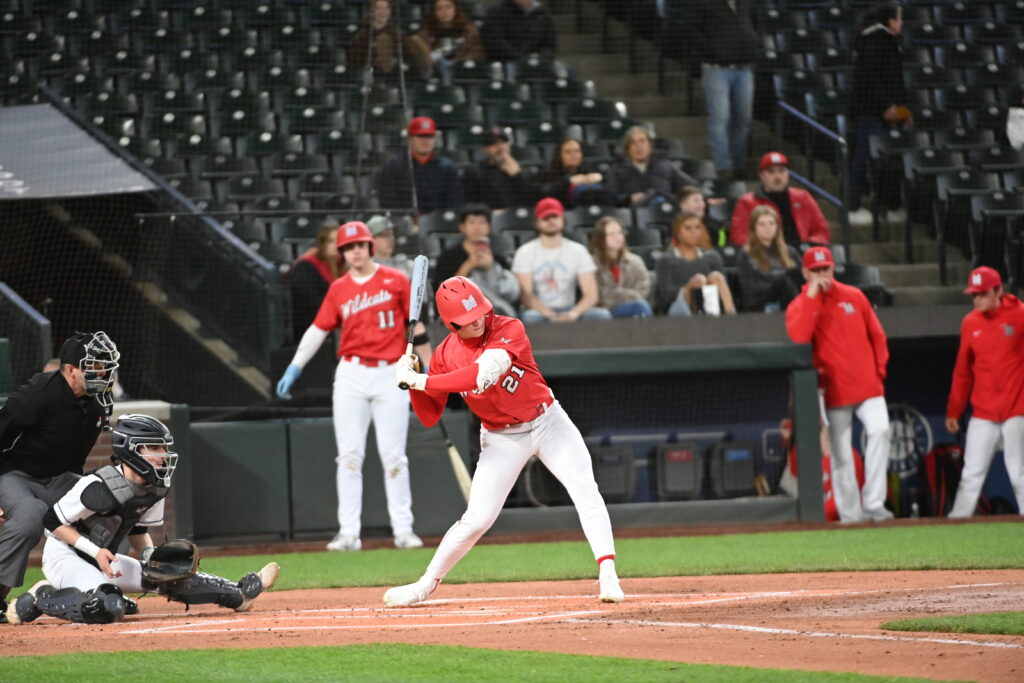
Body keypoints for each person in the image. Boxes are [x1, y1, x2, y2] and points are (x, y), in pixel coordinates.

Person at [383, 276, 624, 607]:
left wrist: (421, 380)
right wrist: (412, 383)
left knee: (585, 490)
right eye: (468, 319)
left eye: (479, 312)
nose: (478, 320)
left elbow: (481, 374)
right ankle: (424, 585)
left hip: (548, 422)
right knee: (477, 519)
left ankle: (608, 575)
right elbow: (429, 416)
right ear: (452, 324)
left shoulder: (508, 328)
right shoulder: (444, 356)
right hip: (500, 437)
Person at [4, 415, 280, 625]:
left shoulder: (155, 487)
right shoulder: (98, 485)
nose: (163, 456)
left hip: (103, 558)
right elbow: (52, 521)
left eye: (163, 448)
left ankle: (238, 594)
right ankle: (43, 597)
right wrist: (95, 552)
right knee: (106, 606)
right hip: (65, 556)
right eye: (155, 448)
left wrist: (150, 557)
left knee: (166, 576)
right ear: (132, 450)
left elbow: (136, 530)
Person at [275, 221, 432, 552]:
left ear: (370, 247)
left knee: (394, 456)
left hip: (391, 372)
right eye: (348, 247)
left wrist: (429, 370)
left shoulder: (396, 279)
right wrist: (295, 366)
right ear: (342, 253)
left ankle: (403, 529)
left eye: (360, 245)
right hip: (352, 373)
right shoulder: (338, 288)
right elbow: (318, 329)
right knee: (348, 456)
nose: (355, 251)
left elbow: (416, 327)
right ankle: (348, 533)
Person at [0, 331, 119, 622]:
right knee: (30, 517)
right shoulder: (36, 395)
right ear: (70, 369)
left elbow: (77, 460)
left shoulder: (99, 402)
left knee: (106, 504)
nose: (102, 373)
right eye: (94, 366)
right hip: (15, 474)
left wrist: (83, 500)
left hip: (59, 477)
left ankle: (102, 587)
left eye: (105, 366)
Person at [785, 246, 893, 523]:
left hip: (867, 385)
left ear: (833, 268)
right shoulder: (799, 305)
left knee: (881, 429)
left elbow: (877, 336)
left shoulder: (853, 295)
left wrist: (878, 373)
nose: (822, 274)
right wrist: (811, 297)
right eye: (816, 270)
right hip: (832, 390)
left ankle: (874, 502)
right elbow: (799, 338)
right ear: (805, 272)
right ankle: (851, 515)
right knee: (841, 455)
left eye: (826, 268)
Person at [945, 267, 1024, 518]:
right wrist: (954, 410)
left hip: (1016, 408)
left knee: (1018, 473)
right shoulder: (970, 323)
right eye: (973, 295)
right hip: (984, 411)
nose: (977, 299)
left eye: (982, 293)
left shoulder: (1020, 315)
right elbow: (962, 372)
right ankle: (956, 528)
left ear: (998, 290)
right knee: (970, 475)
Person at [847, 3, 910, 226]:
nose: (901, 23)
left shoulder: (888, 42)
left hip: (884, 112)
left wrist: (902, 109)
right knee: (863, 158)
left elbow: (894, 81)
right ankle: (852, 206)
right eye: (899, 18)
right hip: (870, 112)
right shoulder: (874, 41)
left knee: (887, 161)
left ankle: (890, 205)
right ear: (891, 21)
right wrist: (886, 106)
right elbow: (869, 79)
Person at [685, 0, 759, 180]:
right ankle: (723, 166)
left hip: (744, 68)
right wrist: (712, 51)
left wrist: (753, 42)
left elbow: (755, 22)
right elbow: (691, 30)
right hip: (716, 68)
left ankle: (738, 165)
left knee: (743, 119)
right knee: (720, 118)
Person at [512, 198, 612, 323]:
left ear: (563, 219)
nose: (551, 221)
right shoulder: (525, 252)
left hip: (571, 308)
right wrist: (548, 314)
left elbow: (591, 295)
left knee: (601, 315)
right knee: (531, 317)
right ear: (537, 222)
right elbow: (526, 296)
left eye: (555, 216)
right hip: (538, 311)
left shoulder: (578, 251)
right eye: (545, 218)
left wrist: (574, 313)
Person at [434, 204, 521, 318]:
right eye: (472, 222)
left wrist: (491, 268)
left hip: (496, 314)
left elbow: (510, 294)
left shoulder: (499, 259)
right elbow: (444, 294)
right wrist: (469, 265)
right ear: (462, 227)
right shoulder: (448, 257)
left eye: (481, 222)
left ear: (489, 227)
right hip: (461, 313)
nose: (477, 227)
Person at [730, 152, 831, 248]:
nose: (777, 176)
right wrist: (762, 248)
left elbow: (821, 230)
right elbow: (739, 236)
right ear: (762, 176)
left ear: (788, 173)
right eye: (771, 172)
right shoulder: (747, 202)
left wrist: (809, 245)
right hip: (765, 254)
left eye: (781, 171)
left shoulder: (803, 197)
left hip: (801, 253)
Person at [653, 212, 736, 316]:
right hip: (677, 308)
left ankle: (731, 315)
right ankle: (699, 318)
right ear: (678, 233)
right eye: (688, 228)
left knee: (716, 277)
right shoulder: (666, 260)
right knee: (699, 280)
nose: (694, 232)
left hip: (711, 304)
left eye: (697, 227)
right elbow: (667, 295)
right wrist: (690, 286)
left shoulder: (712, 257)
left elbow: (723, 287)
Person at [377, 116, 464, 215]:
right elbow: (387, 201)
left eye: (429, 136)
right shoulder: (392, 166)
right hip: (403, 221)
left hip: (438, 221)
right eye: (420, 136)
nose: (425, 141)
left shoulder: (448, 167)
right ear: (409, 138)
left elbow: (454, 203)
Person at [608, 126, 698, 207]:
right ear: (627, 149)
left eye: (642, 141)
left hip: (666, 210)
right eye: (633, 143)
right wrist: (628, 199)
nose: (638, 146)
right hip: (633, 212)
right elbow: (611, 197)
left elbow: (692, 186)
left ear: (650, 145)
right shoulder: (616, 169)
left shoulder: (666, 165)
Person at [736, 205, 802, 312]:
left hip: (788, 299)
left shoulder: (790, 252)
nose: (768, 228)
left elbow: (800, 280)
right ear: (753, 227)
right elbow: (750, 286)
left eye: (771, 223)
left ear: (777, 226)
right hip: (759, 303)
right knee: (783, 281)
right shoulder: (746, 254)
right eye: (762, 224)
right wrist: (777, 282)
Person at [348, 0, 430, 82]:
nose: (383, 12)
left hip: (396, 73)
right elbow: (355, 58)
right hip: (374, 74)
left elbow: (407, 54)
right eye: (378, 8)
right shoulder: (363, 34)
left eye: (386, 8)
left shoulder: (396, 33)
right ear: (371, 12)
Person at [588, 216, 653, 318]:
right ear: (601, 238)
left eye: (619, 233)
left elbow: (644, 289)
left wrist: (618, 293)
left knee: (640, 305)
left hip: (631, 304)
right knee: (639, 306)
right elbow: (602, 296)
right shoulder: (592, 263)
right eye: (611, 234)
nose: (617, 237)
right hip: (604, 309)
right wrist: (629, 294)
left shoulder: (635, 261)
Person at [463, 127, 540, 210]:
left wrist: (517, 176)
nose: (501, 147)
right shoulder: (475, 172)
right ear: (485, 149)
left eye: (504, 142)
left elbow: (533, 199)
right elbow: (471, 204)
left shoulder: (523, 169)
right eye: (494, 144)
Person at [287, 222, 340, 341]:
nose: (336, 245)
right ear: (322, 244)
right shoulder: (307, 266)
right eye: (331, 241)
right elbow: (309, 302)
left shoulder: (341, 267)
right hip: (311, 326)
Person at [412, 0, 484, 73]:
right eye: (439, 8)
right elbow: (421, 56)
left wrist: (454, 64)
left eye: (448, 7)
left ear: (456, 9)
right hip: (434, 72)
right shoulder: (426, 32)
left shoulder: (469, 31)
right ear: (433, 12)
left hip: (461, 72)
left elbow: (476, 54)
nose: (444, 12)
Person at [539, 137, 610, 209]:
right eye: (568, 152)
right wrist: (568, 181)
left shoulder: (589, 170)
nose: (573, 155)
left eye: (577, 151)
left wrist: (601, 178)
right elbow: (546, 193)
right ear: (559, 155)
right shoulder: (550, 173)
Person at [481, 0, 557, 62]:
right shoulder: (496, 11)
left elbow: (550, 45)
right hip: (507, 65)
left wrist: (540, 57)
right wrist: (522, 58)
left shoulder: (543, 14)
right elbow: (495, 43)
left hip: (538, 65)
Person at [368, 215, 416, 280]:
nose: (390, 239)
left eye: (391, 234)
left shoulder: (406, 265)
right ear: (371, 239)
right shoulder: (366, 267)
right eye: (385, 235)